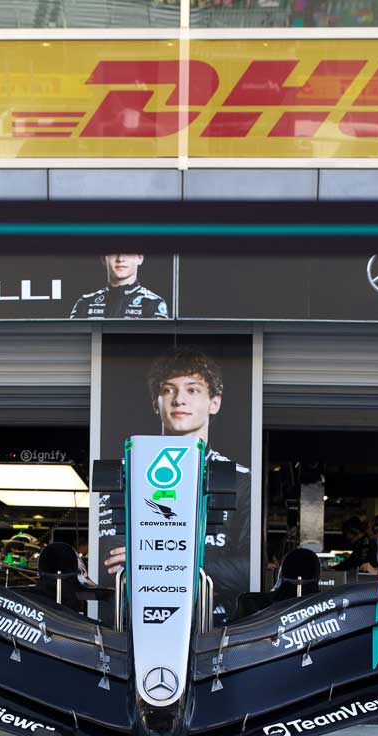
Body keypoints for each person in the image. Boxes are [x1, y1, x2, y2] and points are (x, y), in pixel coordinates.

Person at [101, 347, 251, 616]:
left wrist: (156, 559)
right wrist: (202, 569)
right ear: (154, 401)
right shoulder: (124, 472)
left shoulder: (239, 478)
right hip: (133, 624)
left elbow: (246, 571)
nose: (179, 400)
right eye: (168, 390)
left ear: (214, 402)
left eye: (192, 390)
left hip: (214, 627)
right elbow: (112, 563)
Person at [70, 254, 169, 320]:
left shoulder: (152, 303)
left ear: (140, 258)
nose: (120, 258)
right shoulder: (85, 303)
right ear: (103, 259)